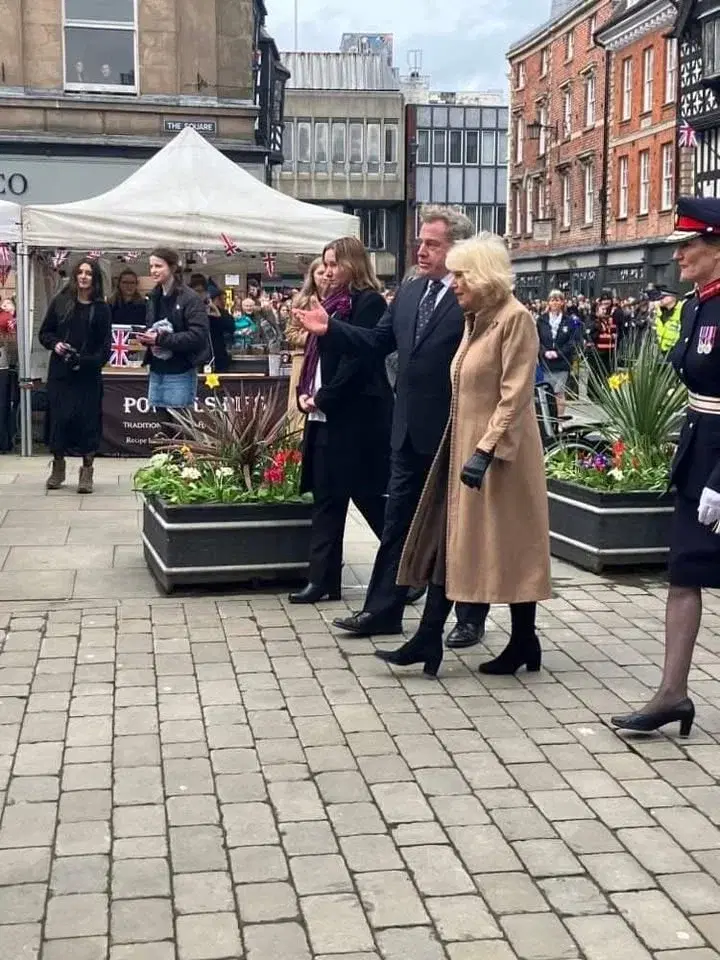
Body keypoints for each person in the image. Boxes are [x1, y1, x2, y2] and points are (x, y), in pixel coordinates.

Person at [294, 206, 487, 648]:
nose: (421, 250)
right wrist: (331, 330)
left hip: (454, 432)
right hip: (407, 430)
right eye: (421, 242)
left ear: (457, 247)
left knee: (459, 527)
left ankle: (470, 617)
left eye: (433, 244)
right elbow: (378, 342)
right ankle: (384, 611)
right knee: (398, 520)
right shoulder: (410, 291)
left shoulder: (473, 294)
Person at [373, 234, 551, 677]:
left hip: (499, 454)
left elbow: (514, 396)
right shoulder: (477, 318)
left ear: (483, 276)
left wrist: (485, 451)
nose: (453, 284)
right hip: (463, 447)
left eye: (461, 275)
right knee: (455, 542)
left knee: (506, 546)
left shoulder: (515, 319)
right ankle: (431, 637)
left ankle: (517, 639)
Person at [612, 197, 720, 737]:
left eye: (689, 246)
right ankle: (672, 693)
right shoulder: (699, 303)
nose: (679, 256)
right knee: (684, 572)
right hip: (699, 451)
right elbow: (686, 368)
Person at [289, 237, 393, 604]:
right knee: (327, 500)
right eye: (324, 264)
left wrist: (324, 396)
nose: (327, 271)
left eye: (334, 264)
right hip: (323, 416)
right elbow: (318, 360)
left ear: (354, 264)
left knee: (370, 500)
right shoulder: (327, 304)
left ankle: (410, 572)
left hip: (357, 419)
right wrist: (307, 396)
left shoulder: (368, 302)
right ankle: (322, 579)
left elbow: (361, 361)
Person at [38, 259, 112, 493]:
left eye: (88, 273)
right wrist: (56, 344)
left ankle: (86, 472)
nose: (83, 277)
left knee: (87, 422)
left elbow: (105, 348)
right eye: (79, 272)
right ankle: (58, 468)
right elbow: (45, 333)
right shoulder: (61, 301)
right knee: (60, 419)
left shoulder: (101, 308)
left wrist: (87, 361)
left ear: (95, 278)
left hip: (87, 374)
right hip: (61, 373)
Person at [136, 248, 209, 411]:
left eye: (158, 266)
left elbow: (198, 336)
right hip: (157, 369)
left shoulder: (190, 298)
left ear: (172, 268)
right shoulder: (153, 297)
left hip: (180, 372)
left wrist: (160, 339)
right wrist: (148, 338)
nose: (153, 271)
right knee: (161, 426)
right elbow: (152, 327)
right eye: (151, 266)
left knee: (178, 427)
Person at [286, 258, 325, 430]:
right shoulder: (301, 301)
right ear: (312, 276)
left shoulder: (342, 300)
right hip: (303, 360)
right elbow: (291, 333)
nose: (325, 277)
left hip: (327, 361)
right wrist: (313, 335)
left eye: (328, 272)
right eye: (320, 273)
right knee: (298, 408)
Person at [537, 289, 580, 419]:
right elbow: (536, 339)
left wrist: (558, 353)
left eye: (557, 300)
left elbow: (573, 341)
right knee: (547, 393)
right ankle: (549, 419)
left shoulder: (570, 320)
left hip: (562, 363)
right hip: (546, 363)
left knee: (559, 392)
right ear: (548, 302)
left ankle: (559, 420)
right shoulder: (541, 320)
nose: (554, 303)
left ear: (562, 302)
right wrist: (544, 352)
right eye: (552, 300)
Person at [206, 280, 234, 373]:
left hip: (220, 355)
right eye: (220, 299)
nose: (224, 302)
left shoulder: (224, 314)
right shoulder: (202, 313)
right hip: (205, 356)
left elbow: (231, 327)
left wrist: (218, 315)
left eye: (224, 299)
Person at [654, 287, 683, 355]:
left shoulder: (682, 309)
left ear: (672, 297)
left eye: (663, 297)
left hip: (675, 350)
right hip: (660, 351)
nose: (660, 299)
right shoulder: (659, 311)